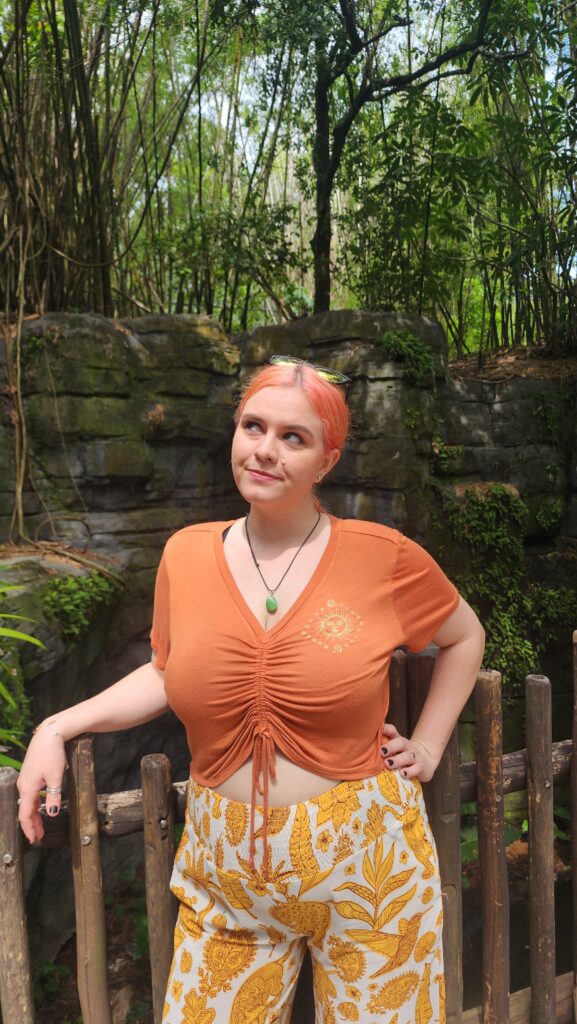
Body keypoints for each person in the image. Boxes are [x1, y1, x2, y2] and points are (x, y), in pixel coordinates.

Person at [17, 355, 485, 1023]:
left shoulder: (384, 557)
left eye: (293, 437)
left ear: (326, 459)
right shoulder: (184, 554)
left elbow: (465, 637)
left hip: (368, 870)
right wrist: (56, 726)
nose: (265, 450)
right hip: (225, 872)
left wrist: (432, 745)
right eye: (252, 427)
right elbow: (164, 669)